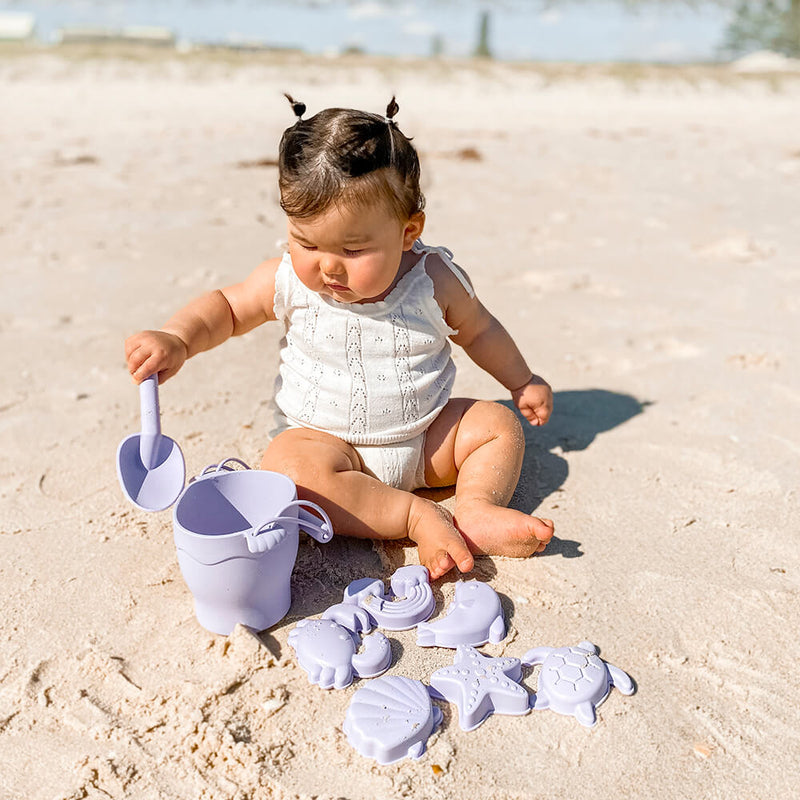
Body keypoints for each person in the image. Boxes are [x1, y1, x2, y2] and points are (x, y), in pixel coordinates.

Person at [124, 95, 555, 580]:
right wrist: (178, 338)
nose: (327, 266)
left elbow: (480, 331)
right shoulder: (287, 279)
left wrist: (521, 381)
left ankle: (476, 509)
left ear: (407, 231)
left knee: (496, 426)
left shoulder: (433, 281)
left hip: (427, 440)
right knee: (289, 471)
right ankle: (415, 517)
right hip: (327, 448)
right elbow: (226, 308)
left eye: (352, 250)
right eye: (306, 242)